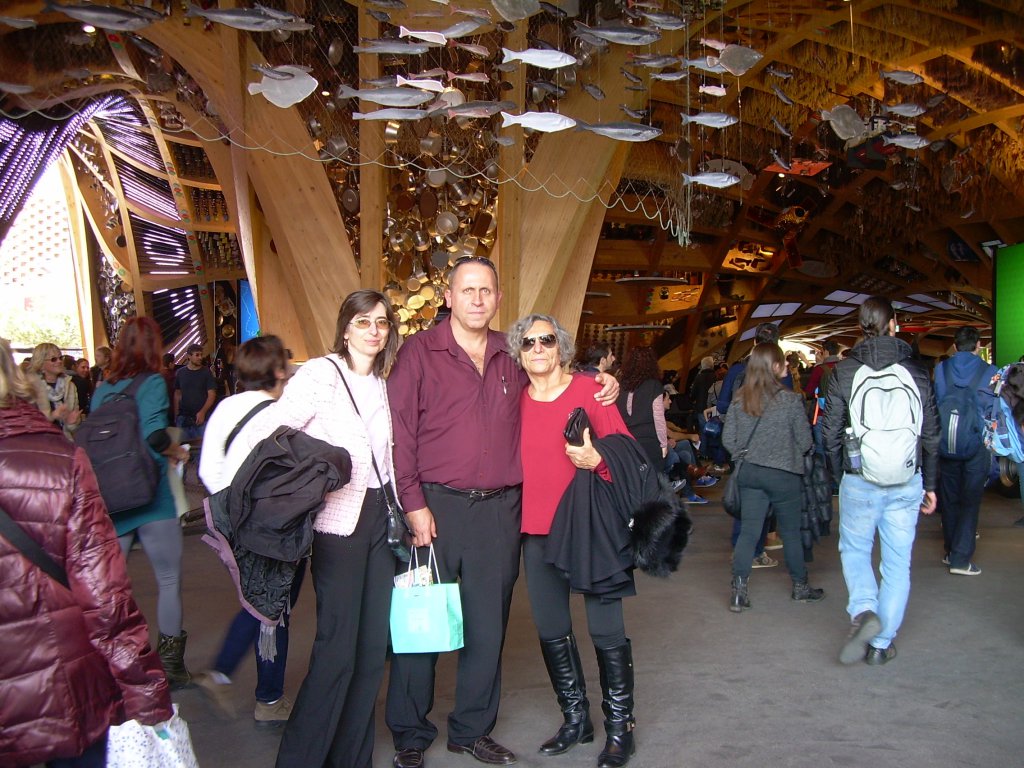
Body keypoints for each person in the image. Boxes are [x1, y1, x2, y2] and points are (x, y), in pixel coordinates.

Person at [386, 256, 618, 768]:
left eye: (486, 290)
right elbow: (399, 434)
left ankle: (472, 730)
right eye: (467, 290)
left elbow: (552, 373)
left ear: (497, 298)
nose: (476, 299)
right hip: (435, 508)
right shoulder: (419, 353)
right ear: (448, 297)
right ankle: (410, 733)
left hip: (500, 512)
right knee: (424, 622)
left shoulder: (510, 354)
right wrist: (413, 503)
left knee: (488, 626)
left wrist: (600, 380)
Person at [238, 291, 401, 768]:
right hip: (339, 523)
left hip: (382, 516)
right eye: (363, 321)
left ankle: (352, 757)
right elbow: (268, 433)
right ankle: (302, 758)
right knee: (337, 647)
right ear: (345, 328)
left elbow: (388, 456)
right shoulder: (321, 374)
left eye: (381, 323)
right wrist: (318, 466)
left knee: (371, 648)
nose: (373, 330)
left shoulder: (385, 382)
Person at [0, 337, 173, 768]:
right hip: (63, 684)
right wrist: (144, 690)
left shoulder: (100, 392)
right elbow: (104, 596)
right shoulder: (59, 460)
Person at [511, 313, 644, 768]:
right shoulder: (515, 400)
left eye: (547, 340)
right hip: (537, 531)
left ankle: (621, 728)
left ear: (561, 347)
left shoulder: (591, 390)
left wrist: (596, 458)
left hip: (592, 526)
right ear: (519, 353)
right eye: (528, 343)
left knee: (606, 629)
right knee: (551, 627)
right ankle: (576, 719)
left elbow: (627, 451)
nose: (538, 348)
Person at [823, 296, 939, 665]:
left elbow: (829, 433)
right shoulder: (917, 371)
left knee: (855, 550)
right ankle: (881, 645)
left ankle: (863, 610)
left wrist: (839, 476)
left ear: (861, 326)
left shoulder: (844, 372)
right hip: (907, 479)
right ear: (893, 324)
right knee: (897, 563)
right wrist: (931, 485)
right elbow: (931, 434)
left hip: (860, 477)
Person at [196, 335, 299, 727]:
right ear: (278, 370)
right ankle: (267, 698)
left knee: (259, 603)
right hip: (276, 528)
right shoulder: (285, 413)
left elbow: (208, 469)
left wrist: (233, 508)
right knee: (273, 609)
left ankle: (225, 674)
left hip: (235, 526)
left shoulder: (226, 407)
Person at [91, 317, 192, 687]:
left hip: (113, 498)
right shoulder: (153, 383)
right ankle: (171, 668)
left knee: (110, 587)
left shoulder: (103, 388)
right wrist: (177, 452)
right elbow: (154, 436)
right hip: (152, 496)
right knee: (168, 580)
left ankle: (114, 660)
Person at [722, 342, 823, 612]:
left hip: (751, 473)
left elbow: (728, 439)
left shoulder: (740, 399)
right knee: (790, 533)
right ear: (775, 366)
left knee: (749, 532)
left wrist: (746, 454)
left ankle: (738, 591)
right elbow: (805, 442)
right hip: (784, 475)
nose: (787, 365)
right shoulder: (790, 401)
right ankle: (800, 586)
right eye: (783, 362)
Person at [933, 327, 995, 576]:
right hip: (976, 443)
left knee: (949, 498)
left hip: (947, 442)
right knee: (970, 500)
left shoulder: (941, 369)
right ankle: (960, 560)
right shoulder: (989, 371)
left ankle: (950, 551)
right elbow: (992, 409)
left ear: (955, 345)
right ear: (978, 345)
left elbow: (937, 402)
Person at [615, 346, 666, 470]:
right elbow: (658, 417)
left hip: (624, 441)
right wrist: (664, 444)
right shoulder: (654, 385)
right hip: (648, 441)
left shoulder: (619, 385)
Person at [28, 342, 81, 440]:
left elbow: (74, 427)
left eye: (61, 358)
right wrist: (52, 416)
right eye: (53, 359)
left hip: (66, 442)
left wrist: (71, 423)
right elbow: (29, 424)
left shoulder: (70, 385)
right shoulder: (31, 387)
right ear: (41, 364)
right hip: (42, 442)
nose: (59, 361)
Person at [173, 343, 217, 441]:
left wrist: (203, 412)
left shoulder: (206, 372)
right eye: (197, 355)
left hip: (201, 419)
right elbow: (177, 394)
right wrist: (176, 415)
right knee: (182, 447)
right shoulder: (180, 373)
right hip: (183, 418)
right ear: (189, 356)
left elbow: (212, 394)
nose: (200, 357)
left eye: (201, 355)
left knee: (201, 447)